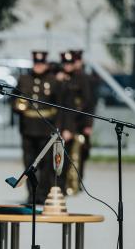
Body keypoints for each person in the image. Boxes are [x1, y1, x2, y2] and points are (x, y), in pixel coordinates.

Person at [12, 51, 62, 204]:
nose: (38, 66)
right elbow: (15, 99)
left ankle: (43, 193)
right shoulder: (24, 79)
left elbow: (59, 105)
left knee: (46, 164)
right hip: (28, 127)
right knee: (29, 164)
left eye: (41, 63)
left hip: (46, 128)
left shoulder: (53, 80)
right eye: (36, 63)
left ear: (46, 64)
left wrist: (59, 127)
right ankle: (32, 193)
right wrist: (18, 107)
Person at [58, 50, 93, 195]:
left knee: (78, 155)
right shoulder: (60, 78)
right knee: (63, 156)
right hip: (63, 123)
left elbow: (88, 103)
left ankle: (74, 183)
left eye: (71, 62)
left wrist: (88, 124)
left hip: (77, 122)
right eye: (65, 63)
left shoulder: (82, 78)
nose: (69, 65)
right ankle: (63, 184)